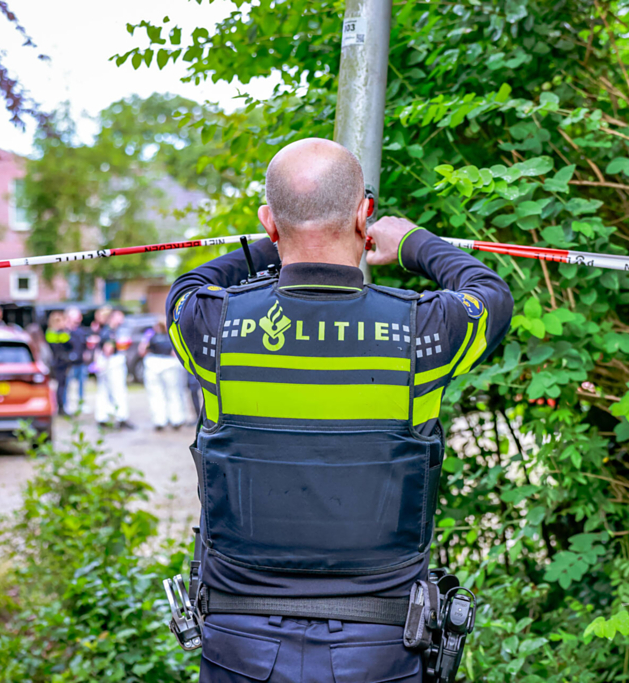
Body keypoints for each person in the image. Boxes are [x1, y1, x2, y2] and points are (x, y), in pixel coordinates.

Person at [165, 138, 513, 682]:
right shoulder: (422, 331)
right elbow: (489, 293)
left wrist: (274, 239)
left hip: (238, 647)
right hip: (380, 650)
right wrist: (415, 243)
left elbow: (188, 287)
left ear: (269, 221)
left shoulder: (209, 327)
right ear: (364, 214)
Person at [139, 319, 191, 431]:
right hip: (167, 363)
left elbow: (142, 351)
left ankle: (160, 420)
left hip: (156, 363)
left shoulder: (152, 337)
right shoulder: (172, 335)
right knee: (173, 392)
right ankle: (175, 419)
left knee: (157, 393)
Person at [94, 309, 135, 429]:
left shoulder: (106, 330)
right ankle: (121, 417)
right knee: (118, 390)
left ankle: (102, 417)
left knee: (103, 390)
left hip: (106, 362)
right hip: (112, 362)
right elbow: (108, 349)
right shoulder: (110, 332)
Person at [44, 311, 71, 417]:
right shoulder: (54, 333)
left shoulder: (51, 332)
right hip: (58, 364)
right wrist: (65, 331)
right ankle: (60, 407)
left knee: (60, 386)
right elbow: (66, 341)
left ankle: (60, 406)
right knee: (60, 386)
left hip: (59, 363)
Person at [65, 307, 89, 414]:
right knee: (67, 385)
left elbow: (84, 344)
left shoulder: (81, 331)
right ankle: (66, 405)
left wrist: (86, 352)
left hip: (81, 362)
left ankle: (81, 404)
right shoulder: (65, 331)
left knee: (81, 385)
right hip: (69, 364)